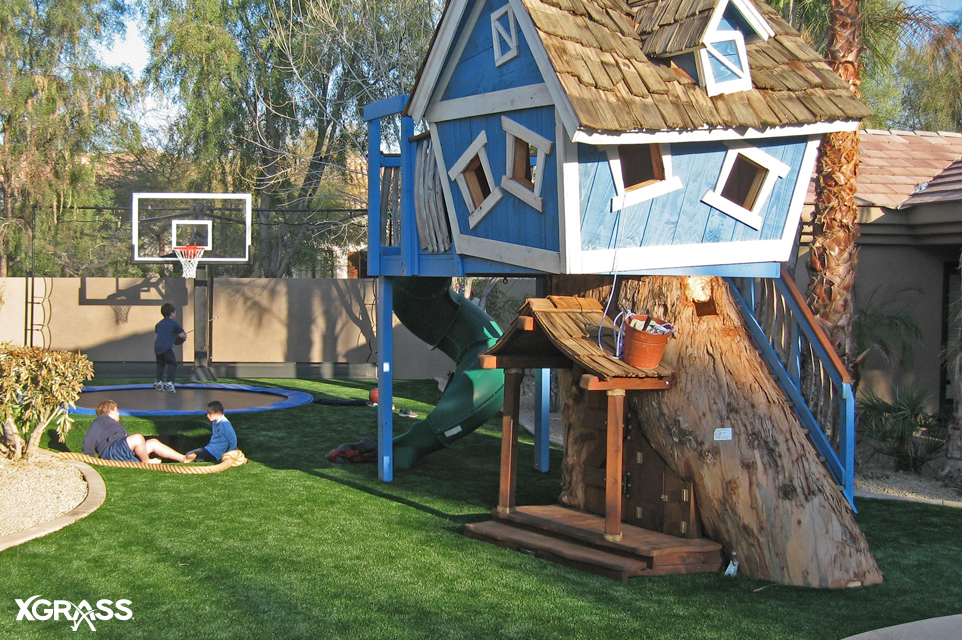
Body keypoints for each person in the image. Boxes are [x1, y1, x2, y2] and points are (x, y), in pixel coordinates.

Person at [82, 400, 196, 464]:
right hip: (111, 452)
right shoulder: (100, 420)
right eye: (117, 411)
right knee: (137, 438)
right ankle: (146, 461)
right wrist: (89, 458)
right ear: (111, 411)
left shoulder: (113, 425)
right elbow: (89, 439)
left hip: (124, 454)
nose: (119, 413)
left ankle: (182, 458)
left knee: (153, 442)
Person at [154, 303, 187, 393]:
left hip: (157, 347)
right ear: (172, 313)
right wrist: (183, 338)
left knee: (161, 364)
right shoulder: (174, 324)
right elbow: (181, 335)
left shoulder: (159, 324)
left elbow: (157, 337)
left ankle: (159, 381)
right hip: (167, 347)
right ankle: (169, 382)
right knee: (172, 363)